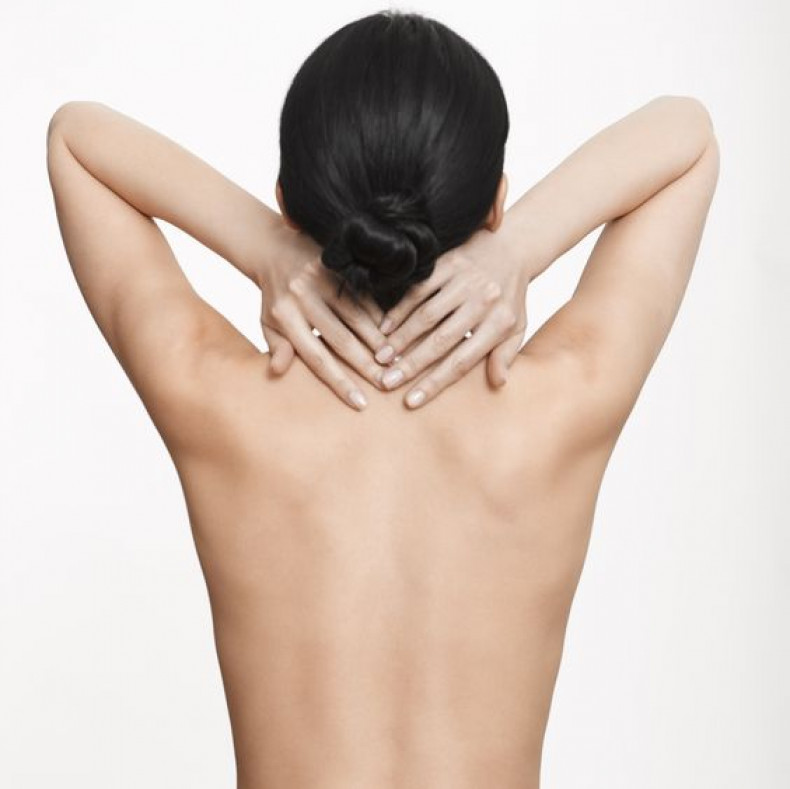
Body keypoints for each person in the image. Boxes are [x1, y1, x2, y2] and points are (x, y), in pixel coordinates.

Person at [46, 10, 719, 789]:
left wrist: (262, 245)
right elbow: (687, 136)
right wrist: (520, 248)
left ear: (290, 204)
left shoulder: (217, 399)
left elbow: (76, 139)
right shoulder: (566, 397)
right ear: (493, 204)